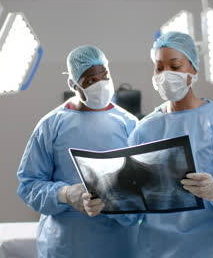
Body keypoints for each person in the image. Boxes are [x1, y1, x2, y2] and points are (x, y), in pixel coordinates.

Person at [87, 31, 213, 257]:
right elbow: (132, 206)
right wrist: (106, 200)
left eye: (175, 67)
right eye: (159, 67)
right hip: (155, 248)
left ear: (193, 69)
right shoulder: (145, 129)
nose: (166, 74)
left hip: (208, 248)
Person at [16, 45, 138, 258]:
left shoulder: (129, 124)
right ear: (73, 84)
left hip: (118, 246)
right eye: (90, 80)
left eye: (104, 76)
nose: (100, 84)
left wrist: (117, 200)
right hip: (65, 246)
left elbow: (143, 188)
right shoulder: (51, 125)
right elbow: (29, 186)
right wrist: (65, 195)